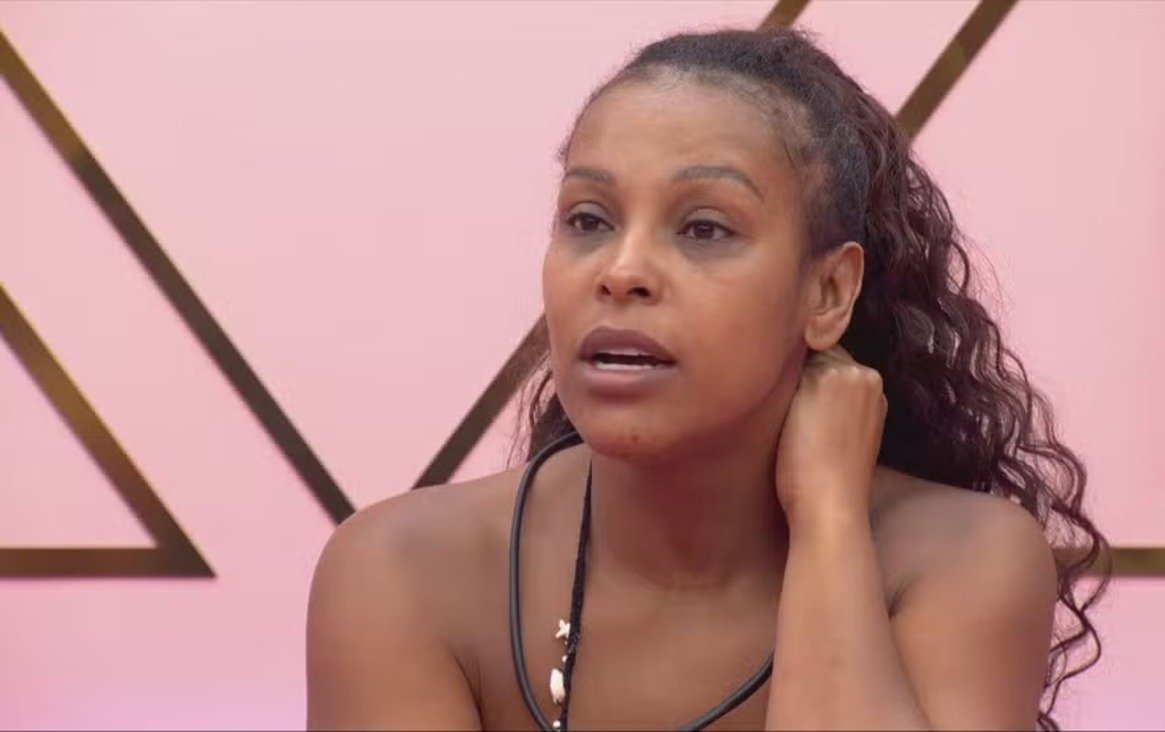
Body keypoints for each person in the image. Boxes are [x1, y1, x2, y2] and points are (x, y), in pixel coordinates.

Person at [306, 26, 1108, 731]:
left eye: (703, 228)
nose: (622, 271)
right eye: (588, 219)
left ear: (828, 293)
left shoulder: (966, 558)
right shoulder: (402, 573)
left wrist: (829, 519)